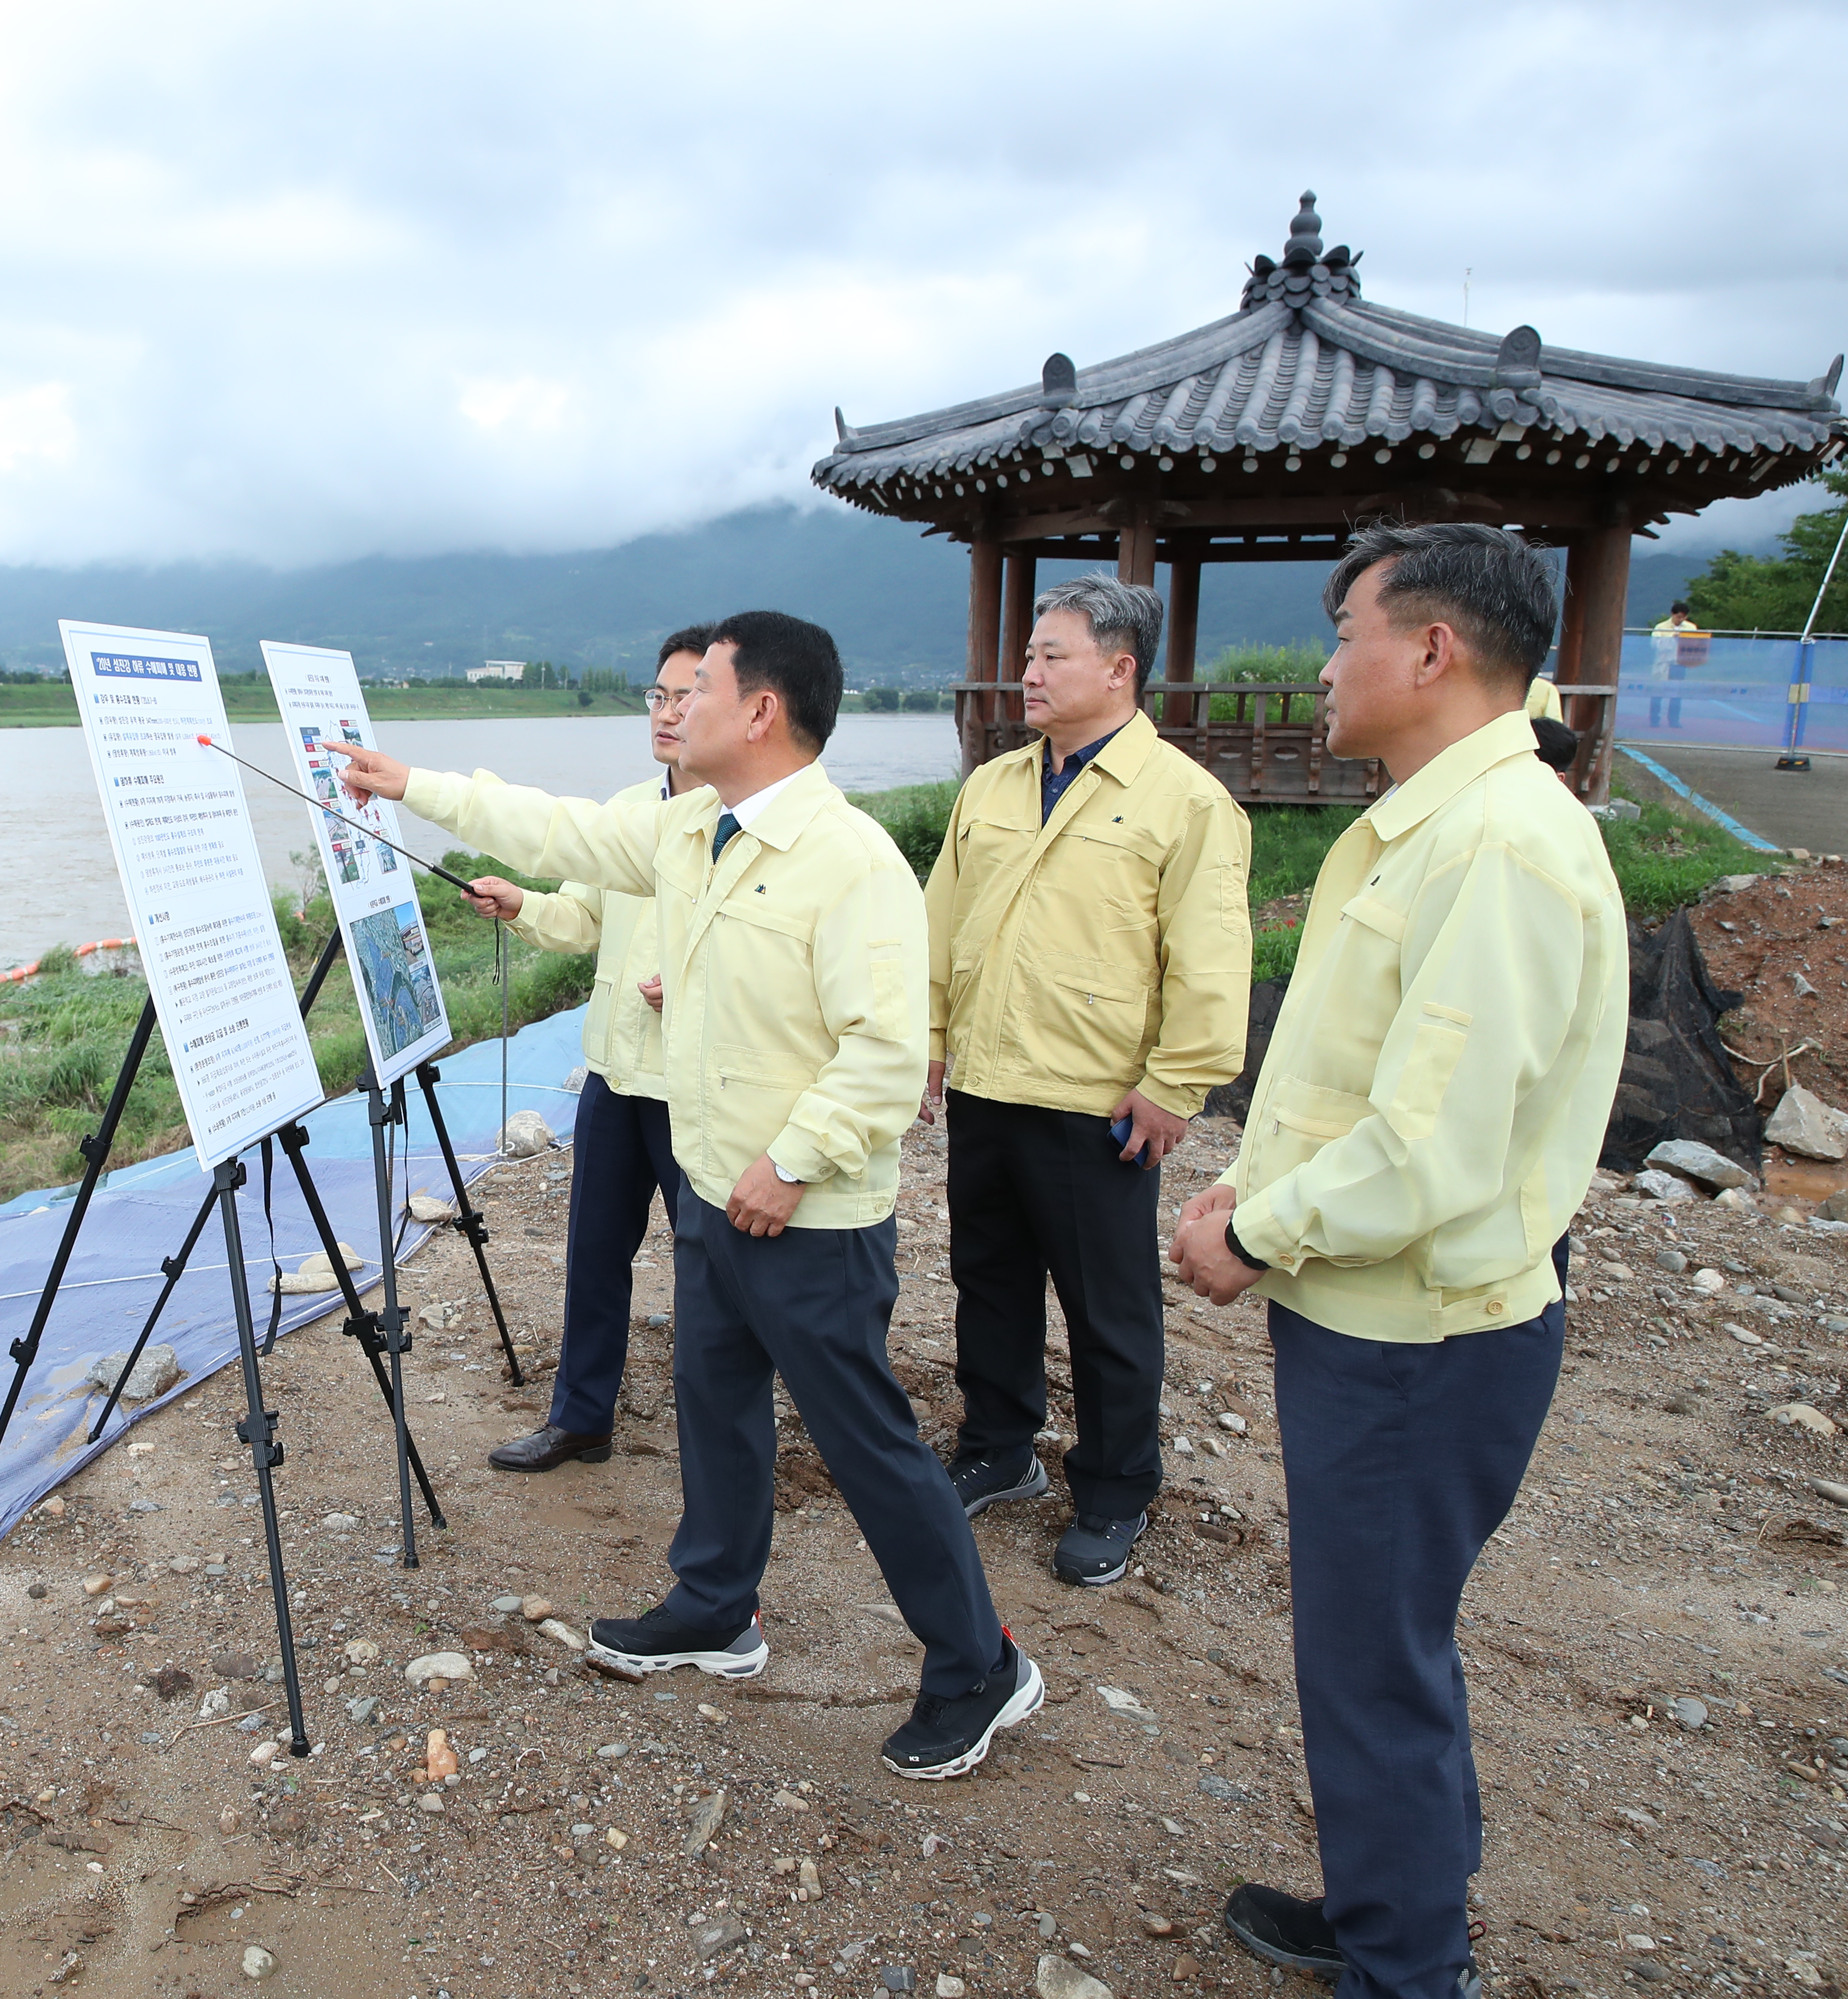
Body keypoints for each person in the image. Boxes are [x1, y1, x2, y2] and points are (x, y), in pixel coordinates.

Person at [323, 610, 1040, 1782]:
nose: (675, 706)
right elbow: (559, 830)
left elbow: (881, 1048)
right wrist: (411, 782)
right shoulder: (692, 828)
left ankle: (980, 1663)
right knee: (713, 1406)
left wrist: (791, 1161)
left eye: (699, 686)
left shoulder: (850, 860)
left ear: (761, 710)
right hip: (718, 1198)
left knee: (869, 1447)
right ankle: (715, 1608)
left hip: (802, 1216)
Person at [1168, 523, 1626, 1999]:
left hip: (1421, 1335)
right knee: (1378, 1643)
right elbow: (1349, 1077)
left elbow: (1435, 1148)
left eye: (1342, 632)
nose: (1320, 666)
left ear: (1430, 650)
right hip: (1386, 1313)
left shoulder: (1499, 843)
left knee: (1373, 1659)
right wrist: (1252, 1172)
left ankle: (1407, 1965)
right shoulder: (1435, 817)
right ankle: (1392, 1903)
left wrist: (1253, 1228)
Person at [922, 574, 1251, 1586]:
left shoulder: (1186, 802)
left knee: (1107, 1308)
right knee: (990, 1277)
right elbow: (941, 918)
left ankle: (1113, 1488)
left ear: (1119, 668)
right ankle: (999, 1445)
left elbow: (1208, 958)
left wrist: (1175, 1084)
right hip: (985, 1077)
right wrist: (928, 1033)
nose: (1027, 670)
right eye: (1028, 653)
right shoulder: (993, 785)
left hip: (1096, 1099)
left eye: (1050, 654)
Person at [462, 626, 707, 1472]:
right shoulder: (631, 812)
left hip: (700, 1085)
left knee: (712, 1264)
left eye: (689, 697)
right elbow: (584, 919)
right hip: (615, 1069)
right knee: (595, 1252)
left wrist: (707, 983)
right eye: (659, 696)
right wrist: (523, 903)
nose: (669, 714)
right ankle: (580, 1417)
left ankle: (723, 1429)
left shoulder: (749, 820)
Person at [1646, 600, 1701, 728]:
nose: (1681, 620)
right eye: (1679, 617)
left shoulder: (1691, 628)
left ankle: (1674, 720)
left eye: (1684, 617)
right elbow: (1655, 645)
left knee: (1677, 694)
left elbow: (1696, 645)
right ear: (1673, 614)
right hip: (1663, 664)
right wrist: (1672, 639)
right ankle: (1654, 720)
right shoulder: (1661, 627)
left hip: (1680, 664)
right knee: (1657, 692)